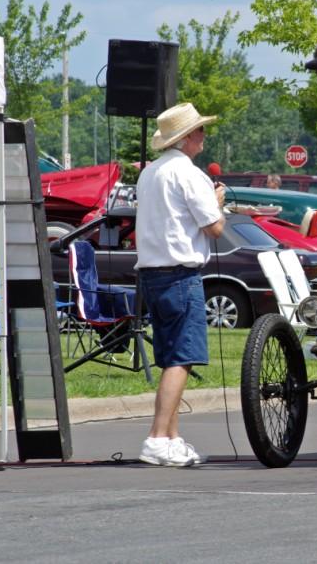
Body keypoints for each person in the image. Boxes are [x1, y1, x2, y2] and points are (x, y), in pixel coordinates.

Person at [135, 102, 226, 467]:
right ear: (187, 137)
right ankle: (158, 437)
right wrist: (218, 202)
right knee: (182, 358)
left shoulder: (149, 173)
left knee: (171, 356)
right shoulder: (189, 175)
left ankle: (170, 438)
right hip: (180, 273)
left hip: (152, 273)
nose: (204, 136)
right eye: (200, 130)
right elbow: (214, 228)